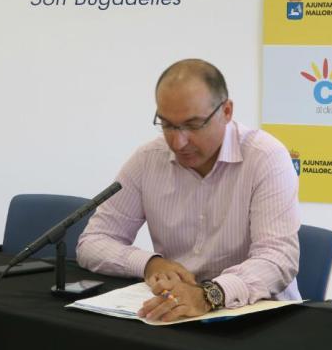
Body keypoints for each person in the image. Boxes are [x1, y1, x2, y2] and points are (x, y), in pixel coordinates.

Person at [77, 58, 301, 322]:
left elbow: (278, 259)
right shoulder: (148, 159)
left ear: (226, 111)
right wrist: (150, 264)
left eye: (193, 125)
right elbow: (93, 242)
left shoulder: (266, 157)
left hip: (257, 319)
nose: (178, 142)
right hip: (177, 315)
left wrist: (210, 294)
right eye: (168, 125)